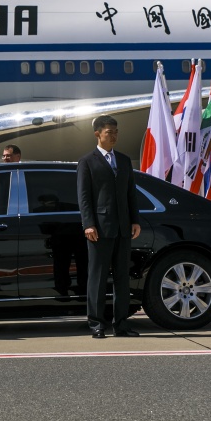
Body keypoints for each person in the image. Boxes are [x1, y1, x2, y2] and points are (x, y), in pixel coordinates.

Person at [77, 115, 141, 339]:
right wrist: (88, 224)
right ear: (98, 134)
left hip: (123, 228)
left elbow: (131, 193)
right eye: (109, 132)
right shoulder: (88, 161)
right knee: (97, 277)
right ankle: (96, 323)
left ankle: (121, 324)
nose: (113, 136)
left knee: (122, 278)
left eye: (116, 132)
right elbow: (84, 197)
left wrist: (135, 220)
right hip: (99, 230)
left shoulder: (124, 160)